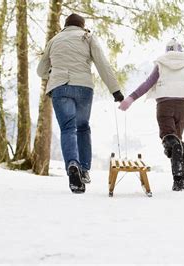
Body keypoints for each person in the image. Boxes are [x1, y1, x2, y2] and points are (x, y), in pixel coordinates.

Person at [37, 13, 125, 194]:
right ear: (82, 26)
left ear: (65, 26)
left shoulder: (54, 40)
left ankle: (72, 164)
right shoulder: (88, 37)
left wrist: (53, 73)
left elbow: (40, 70)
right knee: (83, 127)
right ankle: (84, 169)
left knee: (68, 128)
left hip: (60, 87)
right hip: (84, 87)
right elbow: (103, 64)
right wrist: (115, 90)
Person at [119, 38, 184, 191]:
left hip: (164, 105)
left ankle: (176, 157)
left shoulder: (161, 63)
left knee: (170, 138)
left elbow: (148, 83)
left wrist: (131, 98)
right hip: (182, 106)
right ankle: (179, 180)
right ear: (180, 50)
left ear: (166, 50)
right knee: (178, 140)